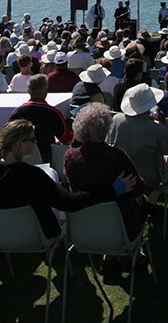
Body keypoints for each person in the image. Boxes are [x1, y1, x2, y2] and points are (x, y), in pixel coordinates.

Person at [0, 117, 138, 242]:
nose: (36, 142)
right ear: (19, 145)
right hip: (34, 237)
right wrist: (113, 189)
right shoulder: (32, 176)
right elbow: (70, 202)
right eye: (32, 139)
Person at [65, 103, 149, 242]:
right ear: (106, 129)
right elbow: (138, 188)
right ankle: (136, 256)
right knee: (139, 202)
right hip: (120, 226)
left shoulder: (70, 157)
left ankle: (110, 258)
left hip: (85, 222)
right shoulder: (117, 155)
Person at [108, 83, 168, 204]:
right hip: (151, 176)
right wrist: (164, 124)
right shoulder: (156, 129)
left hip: (123, 173)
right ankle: (155, 195)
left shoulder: (116, 120)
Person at [8, 74, 72, 162]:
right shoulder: (53, 112)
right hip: (47, 159)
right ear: (46, 91)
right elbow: (67, 140)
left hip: (20, 159)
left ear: (28, 91)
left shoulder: (17, 113)